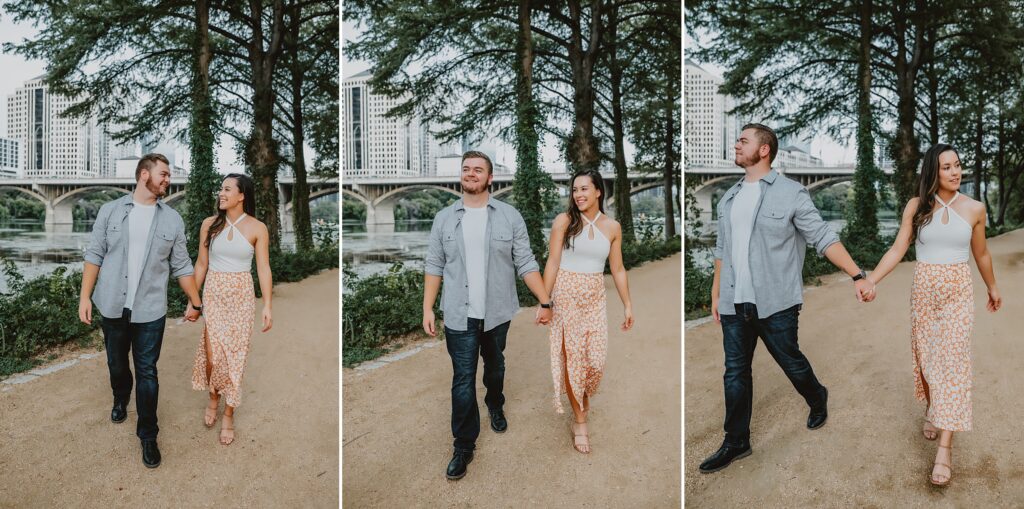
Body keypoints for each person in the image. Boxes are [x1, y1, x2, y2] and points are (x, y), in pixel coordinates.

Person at [699, 123, 875, 474]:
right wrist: (717, 291)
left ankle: (816, 396)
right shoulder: (729, 198)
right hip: (735, 302)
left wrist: (857, 275)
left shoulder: (792, 193)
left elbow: (823, 237)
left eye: (743, 140)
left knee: (790, 362)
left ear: (764, 150)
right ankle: (736, 441)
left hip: (776, 302)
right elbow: (722, 250)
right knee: (735, 373)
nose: (736, 144)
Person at [863, 143, 1001, 486]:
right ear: (933, 172)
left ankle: (944, 448)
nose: (955, 172)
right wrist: (872, 279)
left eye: (957, 165)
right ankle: (932, 409)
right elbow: (898, 248)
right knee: (926, 358)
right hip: (924, 289)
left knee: (953, 362)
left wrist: (993, 287)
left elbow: (981, 255)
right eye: (946, 167)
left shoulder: (974, 209)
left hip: (958, 290)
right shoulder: (917, 206)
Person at [422, 150, 553, 480]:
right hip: (458, 313)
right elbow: (434, 265)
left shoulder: (509, 216)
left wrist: (545, 300)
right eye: (466, 169)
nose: (470, 174)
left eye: (478, 170)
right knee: (462, 379)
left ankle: (495, 402)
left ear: (490, 177)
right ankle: (464, 445)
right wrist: (427, 307)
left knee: (495, 367)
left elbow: (525, 262)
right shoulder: (444, 219)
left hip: (497, 311)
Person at [78, 153, 203, 468]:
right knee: (117, 364)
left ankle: (148, 434)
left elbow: (182, 265)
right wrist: (85, 297)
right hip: (112, 305)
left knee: (148, 372)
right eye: (163, 174)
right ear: (144, 175)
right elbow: (94, 254)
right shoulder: (111, 211)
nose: (168, 179)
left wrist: (196, 300)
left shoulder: (172, 219)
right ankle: (121, 397)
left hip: (150, 310)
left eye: (169, 175)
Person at [542, 169, 634, 454]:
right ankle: (580, 420)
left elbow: (617, 269)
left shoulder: (612, 227)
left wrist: (627, 304)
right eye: (574, 190)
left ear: (598, 192)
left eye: (584, 189)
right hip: (566, 295)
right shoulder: (564, 221)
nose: (578, 194)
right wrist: (545, 302)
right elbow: (553, 262)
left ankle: (581, 397)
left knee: (595, 361)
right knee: (573, 361)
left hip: (594, 298)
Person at [190, 173, 273, 446]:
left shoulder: (258, 228)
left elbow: (263, 268)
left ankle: (228, 414)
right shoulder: (209, 225)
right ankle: (213, 397)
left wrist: (267, 305)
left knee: (235, 359)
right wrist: (193, 300)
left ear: (241, 195)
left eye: (227, 189)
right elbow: (201, 264)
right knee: (214, 357)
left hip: (241, 297)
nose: (221, 193)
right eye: (220, 189)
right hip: (213, 293)